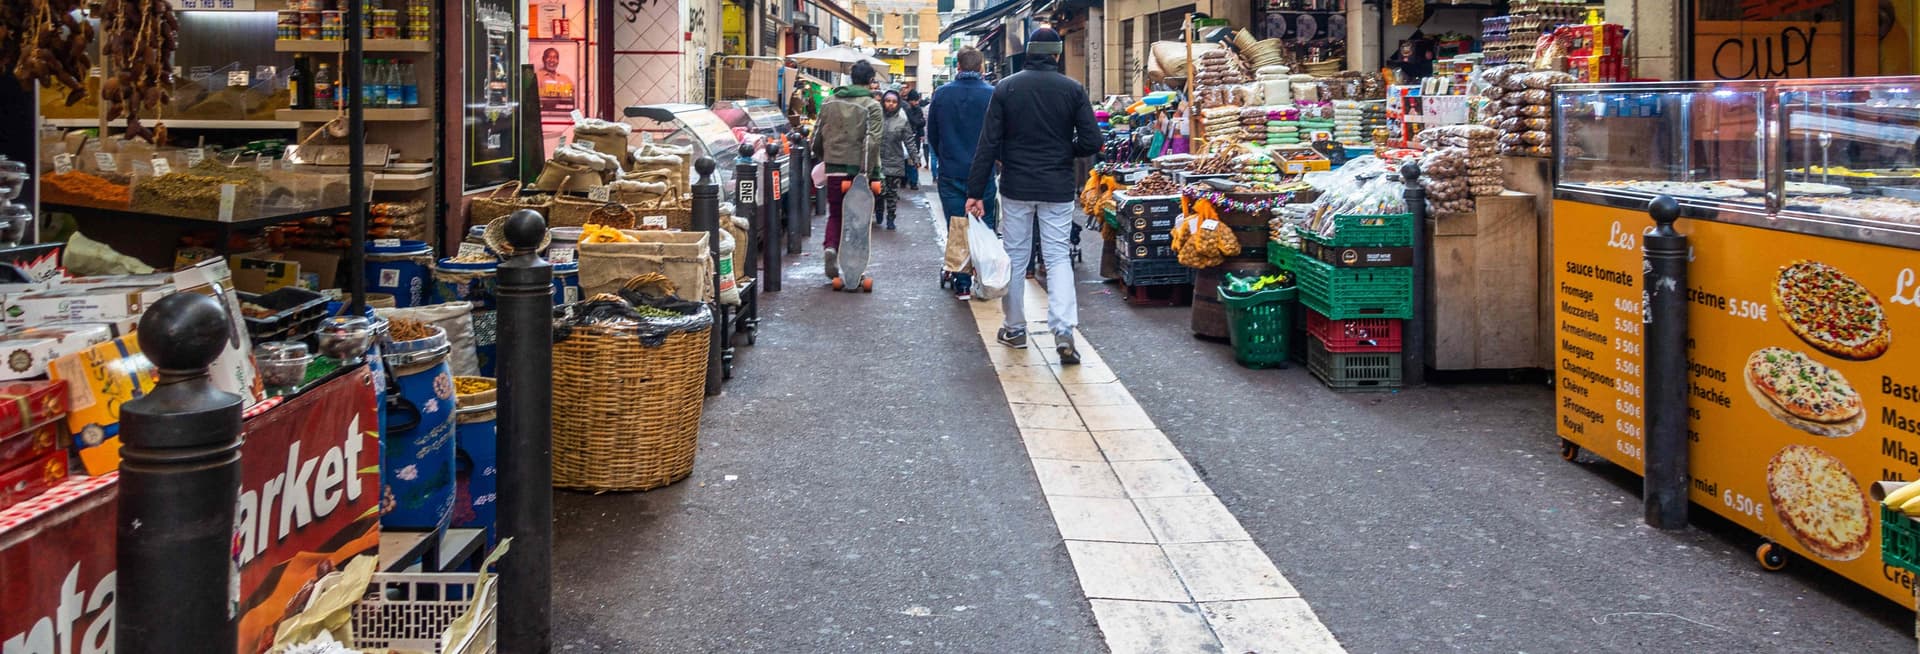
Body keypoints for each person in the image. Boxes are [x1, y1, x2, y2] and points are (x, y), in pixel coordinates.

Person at [965, 27, 1101, 364]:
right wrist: (1063, 150)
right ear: (1056, 54)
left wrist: (975, 191)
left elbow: (988, 143)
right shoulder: (1073, 89)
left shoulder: (1007, 88)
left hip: (1017, 185)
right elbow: (1091, 141)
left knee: (1015, 255)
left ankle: (1014, 328)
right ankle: (1064, 330)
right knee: (1056, 258)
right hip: (1056, 186)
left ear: (1027, 52)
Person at [927, 46, 996, 301]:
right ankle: (986, 276)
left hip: (951, 169)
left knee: (956, 225)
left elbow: (932, 133)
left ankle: (962, 283)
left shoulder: (942, 94)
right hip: (984, 171)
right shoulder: (992, 94)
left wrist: (944, 155)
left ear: (957, 66)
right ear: (981, 67)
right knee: (983, 222)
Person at [809, 61, 885, 281]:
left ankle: (830, 247)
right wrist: (868, 172)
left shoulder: (829, 101)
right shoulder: (871, 106)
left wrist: (825, 158)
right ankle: (853, 270)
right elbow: (873, 141)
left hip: (833, 168)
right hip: (858, 171)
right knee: (857, 220)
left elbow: (816, 136)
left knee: (836, 213)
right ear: (871, 81)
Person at [877, 90, 918, 231]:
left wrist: (915, 157)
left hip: (895, 161)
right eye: (888, 101)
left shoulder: (902, 120)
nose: (890, 104)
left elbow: (909, 140)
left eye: (894, 102)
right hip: (877, 162)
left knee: (892, 193)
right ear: (883, 102)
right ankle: (878, 210)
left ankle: (890, 218)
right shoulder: (876, 117)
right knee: (878, 191)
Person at [903, 90, 927, 189]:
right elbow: (919, 122)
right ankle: (909, 181)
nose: (917, 103)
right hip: (908, 137)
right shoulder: (907, 109)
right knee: (908, 159)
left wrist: (920, 125)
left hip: (914, 137)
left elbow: (920, 123)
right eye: (915, 100)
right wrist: (920, 122)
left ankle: (912, 182)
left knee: (912, 159)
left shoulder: (915, 109)